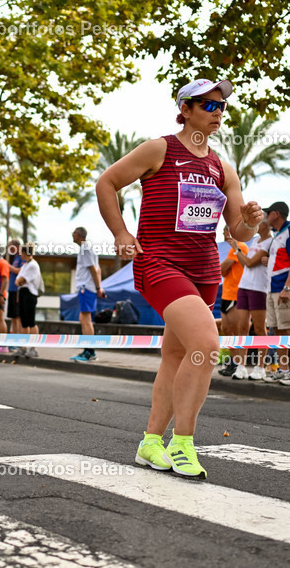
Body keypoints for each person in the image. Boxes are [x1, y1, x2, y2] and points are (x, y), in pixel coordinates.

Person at [96, 77, 262, 478]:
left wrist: (251, 222)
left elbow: (237, 231)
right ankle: (183, 442)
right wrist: (121, 233)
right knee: (206, 346)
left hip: (204, 271)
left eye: (222, 106)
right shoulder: (160, 149)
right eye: (208, 105)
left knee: (176, 355)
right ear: (185, 110)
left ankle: (150, 442)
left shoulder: (223, 167)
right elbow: (107, 183)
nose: (218, 112)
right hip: (160, 264)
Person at [262, 201, 290, 386]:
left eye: (268, 212)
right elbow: (284, 260)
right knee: (276, 329)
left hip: (285, 289)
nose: (266, 216)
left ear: (276, 214)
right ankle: (284, 369)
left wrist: (287, 288)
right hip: (273, 288)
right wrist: (269, 260)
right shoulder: (278, 235)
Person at [228, 220, 271, 380]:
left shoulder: (270, 241)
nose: (257, 224)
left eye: (260, 222)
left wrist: (236, 248)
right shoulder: (255, 240)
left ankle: (260, 367)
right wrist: (237, 249)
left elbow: (250, 263)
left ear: (265, 224)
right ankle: (241, 366)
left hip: (259, 288)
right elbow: (244, 263)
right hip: (244, 286)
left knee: (260, 328)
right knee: (242, 328)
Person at [70, 226, 106, 362]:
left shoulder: (85, 249)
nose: (72, 235)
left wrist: (98, 288)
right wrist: (98, 287)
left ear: (79, 235)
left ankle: (89, 352)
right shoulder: (89, 248)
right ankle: (88, 351)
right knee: (84, 318)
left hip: (86, 287)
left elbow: (93, 269)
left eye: (74, 233)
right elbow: (98, 269)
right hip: (89, 287)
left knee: (85, 319)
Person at [219, 224, 247, 342]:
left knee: (237, 331)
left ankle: (241, 354)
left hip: (236, 294)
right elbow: (223, 271)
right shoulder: (232, 249)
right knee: (226, 329)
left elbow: (221, 268)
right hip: (227, 294)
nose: (223, 234)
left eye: (224, 231)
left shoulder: (240, 246)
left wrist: (224, 269)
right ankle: (234, 354)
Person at [15, 242, 42, 337]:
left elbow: (21, 280)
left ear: (24, 252)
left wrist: (19, 281)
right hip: (23, 293)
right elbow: (17, 281)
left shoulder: (33, 265)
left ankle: (34, 344)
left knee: (31, 322)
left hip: (29, 294)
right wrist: (19, 281)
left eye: (21, 252)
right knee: (24, 322)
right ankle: (24, 343)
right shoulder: (25, 265)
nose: (20, 254)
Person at [6, 239, 24, 334]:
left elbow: (20, 271)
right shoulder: (15, 257)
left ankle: (19, 337)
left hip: (17, 290)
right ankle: (14, 337)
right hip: (11, 289)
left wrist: (8, 266)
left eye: (11, 247)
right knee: (13, 316)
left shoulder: (22, 257)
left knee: (18, 316)